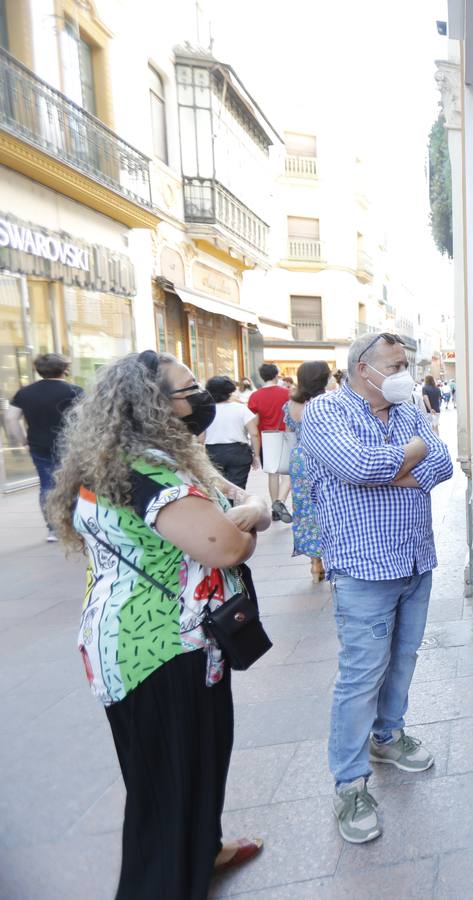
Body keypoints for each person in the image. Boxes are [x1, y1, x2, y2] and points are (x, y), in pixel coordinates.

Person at [47, 350, 273, 898]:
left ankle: (203, 849)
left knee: (193, 762)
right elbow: (224, 545)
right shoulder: (144, 469)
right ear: (151, 404)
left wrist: (242, 505)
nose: (200, 399)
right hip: (159, 650)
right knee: (169, 783)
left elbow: (223, 501)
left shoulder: (133, 458)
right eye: (188, 389)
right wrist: (253, 516)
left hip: (156, 642)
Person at [300, 332, 455, 844]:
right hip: (364, 567)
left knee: (405, 657)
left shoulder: (408, 410)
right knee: (361, 674)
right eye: (395, 363)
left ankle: (387, 736)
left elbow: (442, 464)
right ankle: (349, 783)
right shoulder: (327, 413)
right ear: (363, 368)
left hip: (415, 556)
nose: (403, 371)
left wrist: (398, 465)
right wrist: (407, 457)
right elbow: (360, 466)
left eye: (406, 362)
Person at [5, 353, 81, 541]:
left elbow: (10, 418)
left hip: (39, 446)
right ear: (65, 369)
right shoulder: (74, 391)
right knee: (73, 484)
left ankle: (53, 529)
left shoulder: (25, 392)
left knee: (47, 485)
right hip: (69, 445)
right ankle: (75, 524)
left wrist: (21, 439)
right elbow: (85, 417)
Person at [286, 361, 330, 583]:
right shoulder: (327, 401)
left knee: (304, 510)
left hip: (298, 459)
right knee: (327, 504)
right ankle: (331, 556)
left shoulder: (291, 405)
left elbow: (289, 432)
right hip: (322, 456)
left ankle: (315, 564)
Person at [248, 363, 292, 522]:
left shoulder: (255, 396)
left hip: (266, 438)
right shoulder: (287, 393)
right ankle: (280, 503)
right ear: (276, 375)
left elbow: (254, 421)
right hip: (286, 437)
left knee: (272, 475)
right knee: (287, 475)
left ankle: (275, 507)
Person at [202, 376, 260, 490]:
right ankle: (235, 507)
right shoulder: (240, 408)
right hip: (238, 451)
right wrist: (256, 455)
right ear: (229, 391)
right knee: (237, 489)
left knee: (216, 488)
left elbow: (200, 438)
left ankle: (222, 507)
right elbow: (254, 433)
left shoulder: (206, 410)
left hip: (213, 452)